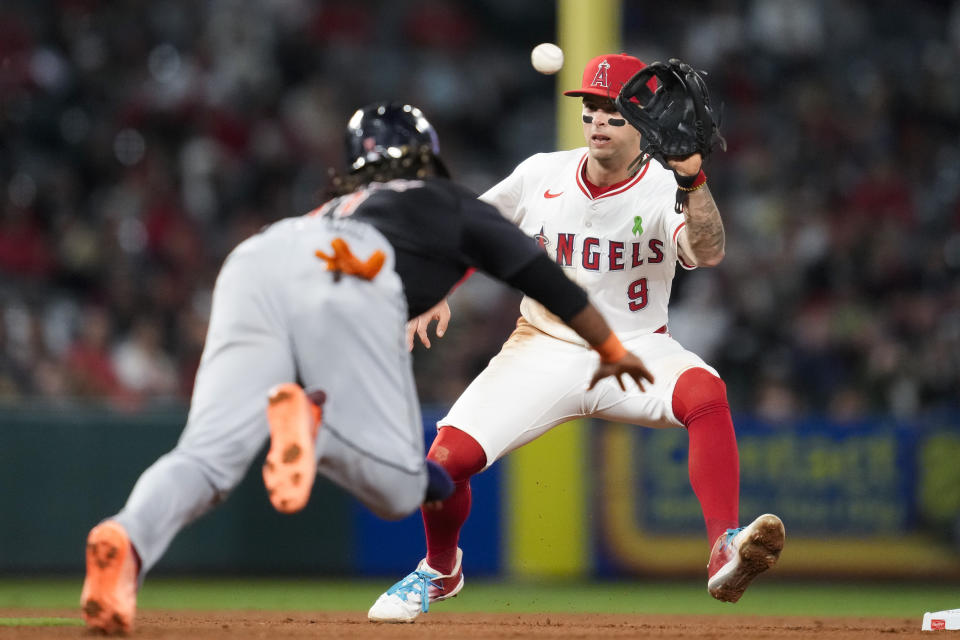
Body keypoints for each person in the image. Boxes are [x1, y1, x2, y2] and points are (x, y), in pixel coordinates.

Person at [79, 101, 656, 634]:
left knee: (205, 457)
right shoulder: (446, 201)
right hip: (355, 272)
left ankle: (126, 541)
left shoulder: (332, 205)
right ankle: (314, 427)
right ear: (428, 152)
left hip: (260, 255)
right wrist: (610, 348)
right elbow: (546, 279)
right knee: (398, 488)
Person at [367, 54, 785, 624]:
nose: (598, 122)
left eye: (613, 112)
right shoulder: (542, 173)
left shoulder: (667, 185)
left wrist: (694, 176)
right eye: (591, 109)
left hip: (636, 344)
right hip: (542, 342)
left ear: (644, 123)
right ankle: (440, 570)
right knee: (446, 460)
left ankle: (723, 545)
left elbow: (708, 251)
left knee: (705, 392)